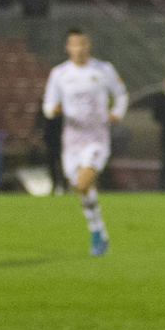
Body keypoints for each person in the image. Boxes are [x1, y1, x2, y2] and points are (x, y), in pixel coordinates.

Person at [41, 28, 128, 256]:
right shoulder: (60, 73)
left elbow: (121, 94)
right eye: (75, 44)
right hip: (71, 140)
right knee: (81, 188)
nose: (79, 49)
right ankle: (99, 231)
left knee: (82, 183)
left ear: (88, 45)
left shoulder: (103, 69)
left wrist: (117, 112)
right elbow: (48, 103)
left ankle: (96, 233)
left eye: (83, 44)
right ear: (67, 47)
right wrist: (52, 110)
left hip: (96, 138)